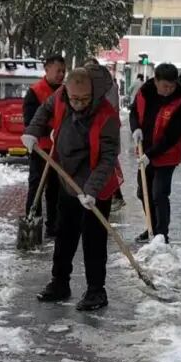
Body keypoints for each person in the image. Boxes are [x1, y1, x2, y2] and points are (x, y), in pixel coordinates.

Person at [22, 68, 121, 312]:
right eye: (74, 99)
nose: (77, 104)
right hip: (67, 175)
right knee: (64, 234)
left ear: (93, 94)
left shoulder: (107, 116)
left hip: (95, 183)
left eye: (84, 100)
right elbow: (44, 110)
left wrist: (91, 190)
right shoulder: (61, 96)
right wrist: (33, 132)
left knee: (93, 240)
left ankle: (96, 291)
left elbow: (108, 158)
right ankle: (60, 283)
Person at [129, 63, 181, 243]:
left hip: (166, 155)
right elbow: (133, 112)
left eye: (172, 86)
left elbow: (172, 136)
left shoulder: (180, 103)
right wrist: (135, 129)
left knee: (158, 194)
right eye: (164, 86)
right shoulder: (144, 93)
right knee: (142, 192)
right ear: (156, 81)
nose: (168, 90)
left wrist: (151, 155)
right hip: (144, 151)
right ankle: (151, 227)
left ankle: (161, 234)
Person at [23, 54, 66, 237]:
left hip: (59, 150)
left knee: (56, 188)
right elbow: (30, 121)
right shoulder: (35, 91)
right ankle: (33, 223)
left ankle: (54, 226)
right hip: (40, 148)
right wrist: (48, 129)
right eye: (58, 71)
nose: (61, 75)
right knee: (36, 186)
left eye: (63, 71)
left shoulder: (67, 92)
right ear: (47, 70)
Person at [83, 59, 126, 209]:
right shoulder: (80, 90)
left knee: (108, 165)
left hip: (105, 133)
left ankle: (114, 196)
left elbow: (112, 108)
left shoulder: (109, 90)